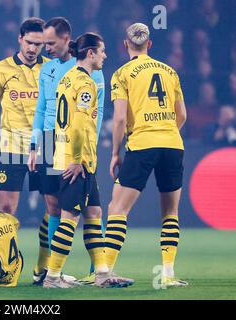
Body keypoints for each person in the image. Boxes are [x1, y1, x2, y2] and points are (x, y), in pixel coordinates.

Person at [43, 32, 133, 289]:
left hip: (69, 156)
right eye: (102, 51)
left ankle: (102, 274)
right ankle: (52, 277)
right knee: (69, 216)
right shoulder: (86, 83)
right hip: (77, 161)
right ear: (90, 53)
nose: (105, 55)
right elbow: (81, 124)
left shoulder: (67, 77)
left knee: (93, 213)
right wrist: (78, 160)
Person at [106, 23, 188, 287]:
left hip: (142, 143)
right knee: (170, 212)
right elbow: (182, 115)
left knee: (117, 208)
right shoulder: (169, 71)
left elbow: (119, 119)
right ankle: (167, 274)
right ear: (149, 44)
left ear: (125, 45)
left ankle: (105, 272)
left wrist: (115, 153)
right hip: (173, 144)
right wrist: (165, 132)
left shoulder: (122, 73)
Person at [27, 17, 106, 286]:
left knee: (88, 209)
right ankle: (52, 270)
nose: (45, 48)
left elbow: (96, 113)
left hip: (74, 144)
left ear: (65, 39)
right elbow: (40, 110)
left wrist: (87, 150)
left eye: (50, 43)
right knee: (54, 207)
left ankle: (97, 269)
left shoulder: (91, 70)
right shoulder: (47, 70)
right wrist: (35, 145)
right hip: (50, 141)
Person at [0, 17, 48, 215]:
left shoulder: (51, 69)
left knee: (53, 208)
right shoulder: (1, 69)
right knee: (5, 209)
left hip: (46, 146)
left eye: (38, 44)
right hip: (12, 148)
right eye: (29, 42)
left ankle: (48, 248)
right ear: (20, 39)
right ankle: (8, 247)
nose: (32, 48)